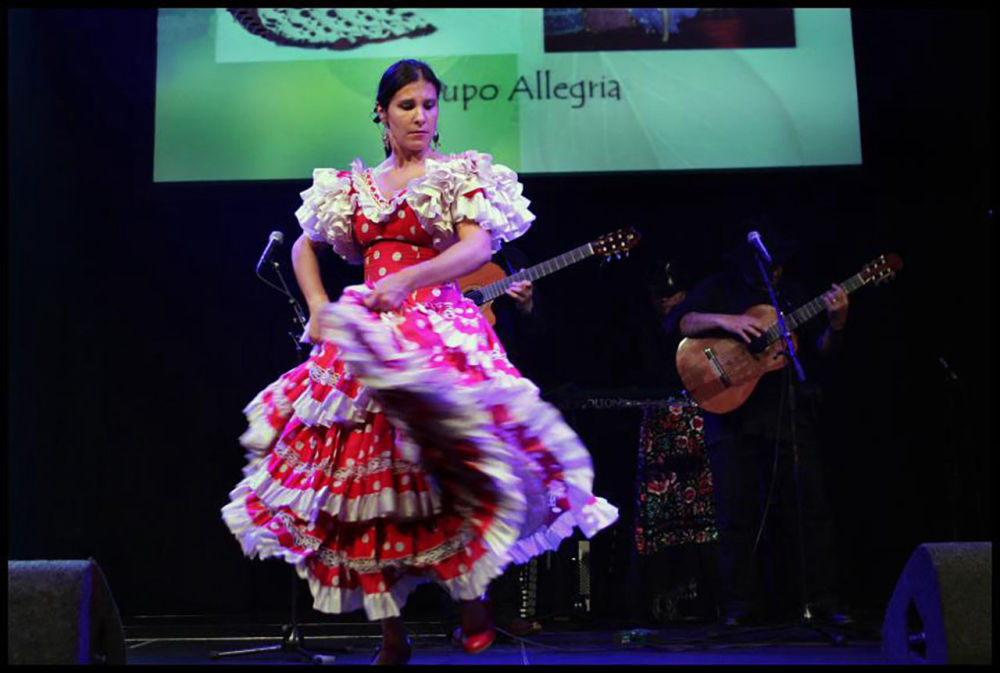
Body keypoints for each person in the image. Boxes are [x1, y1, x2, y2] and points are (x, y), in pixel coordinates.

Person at [221, 59, 618, 665]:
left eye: (429, 105)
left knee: (455, 460)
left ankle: (473, 595)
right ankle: (392, 634)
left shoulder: (455, 174)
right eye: (407, 105)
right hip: (368, 343)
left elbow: (478, 246)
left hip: (439, 330)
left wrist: (412, 276)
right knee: (371, 482)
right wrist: (321, 306)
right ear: (381, 113)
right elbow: (305, 244)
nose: (421, 117)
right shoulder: (352, 188)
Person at [672, 224, 850, 627]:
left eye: (777, 269)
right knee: (735, 515)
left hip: (786, 416)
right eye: (766, 268)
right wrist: (731, 323)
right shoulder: (719, 287)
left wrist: (836, 324)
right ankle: (741, 607)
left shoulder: (791, 296)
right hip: (730, 416)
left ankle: (819, 602)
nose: (773, 275)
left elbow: (823, 354)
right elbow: (683, 321)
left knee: (809, 510)